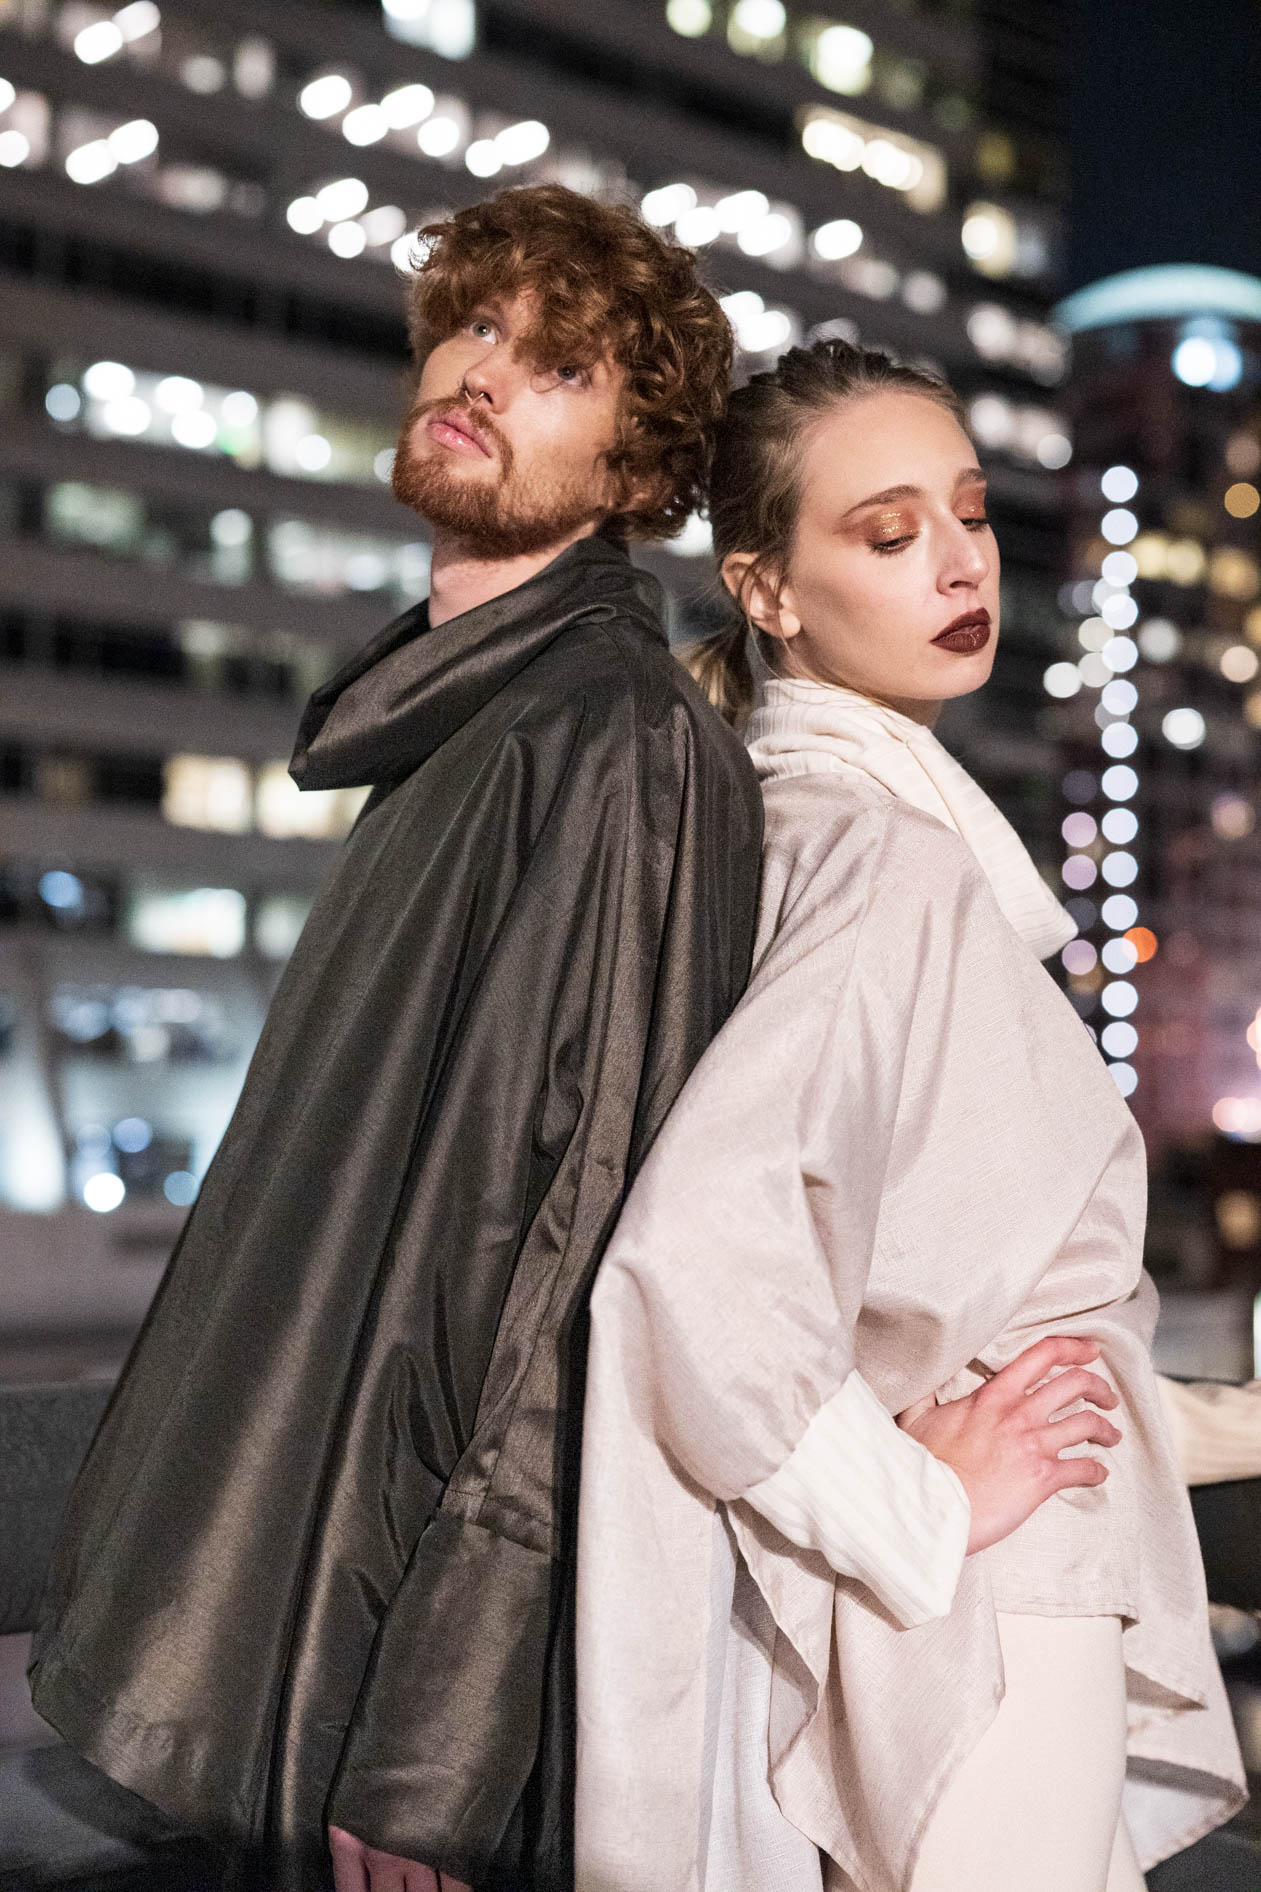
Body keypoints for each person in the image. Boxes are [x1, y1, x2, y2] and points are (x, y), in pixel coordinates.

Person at [31, 185, 763, 1892]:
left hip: (368, 1704)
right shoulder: (465, 727)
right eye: (478, 326)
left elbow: (587, 1249)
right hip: (292, 1624)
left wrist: (440, 1740)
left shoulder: (613, 740)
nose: (485, 373)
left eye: (561, 368)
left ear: (639, 474)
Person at [575, 339, 1246, 1892]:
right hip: (986, 1599)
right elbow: (691, 1264)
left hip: (958, 1589)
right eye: (887, 534)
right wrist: (914, 1502)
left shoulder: (806, 828)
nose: (958, 563)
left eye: (970, 513)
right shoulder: (877, 858)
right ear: (766, 590)